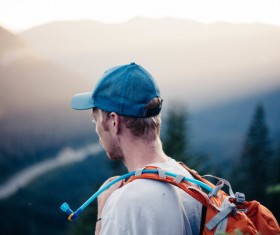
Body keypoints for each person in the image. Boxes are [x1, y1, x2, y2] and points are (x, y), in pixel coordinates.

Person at [71, 62, 202, 235]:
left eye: (95, 120)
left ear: (113, 121)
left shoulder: (126, 204)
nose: (96, 129)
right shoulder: (188, 179)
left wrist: (103, 212)